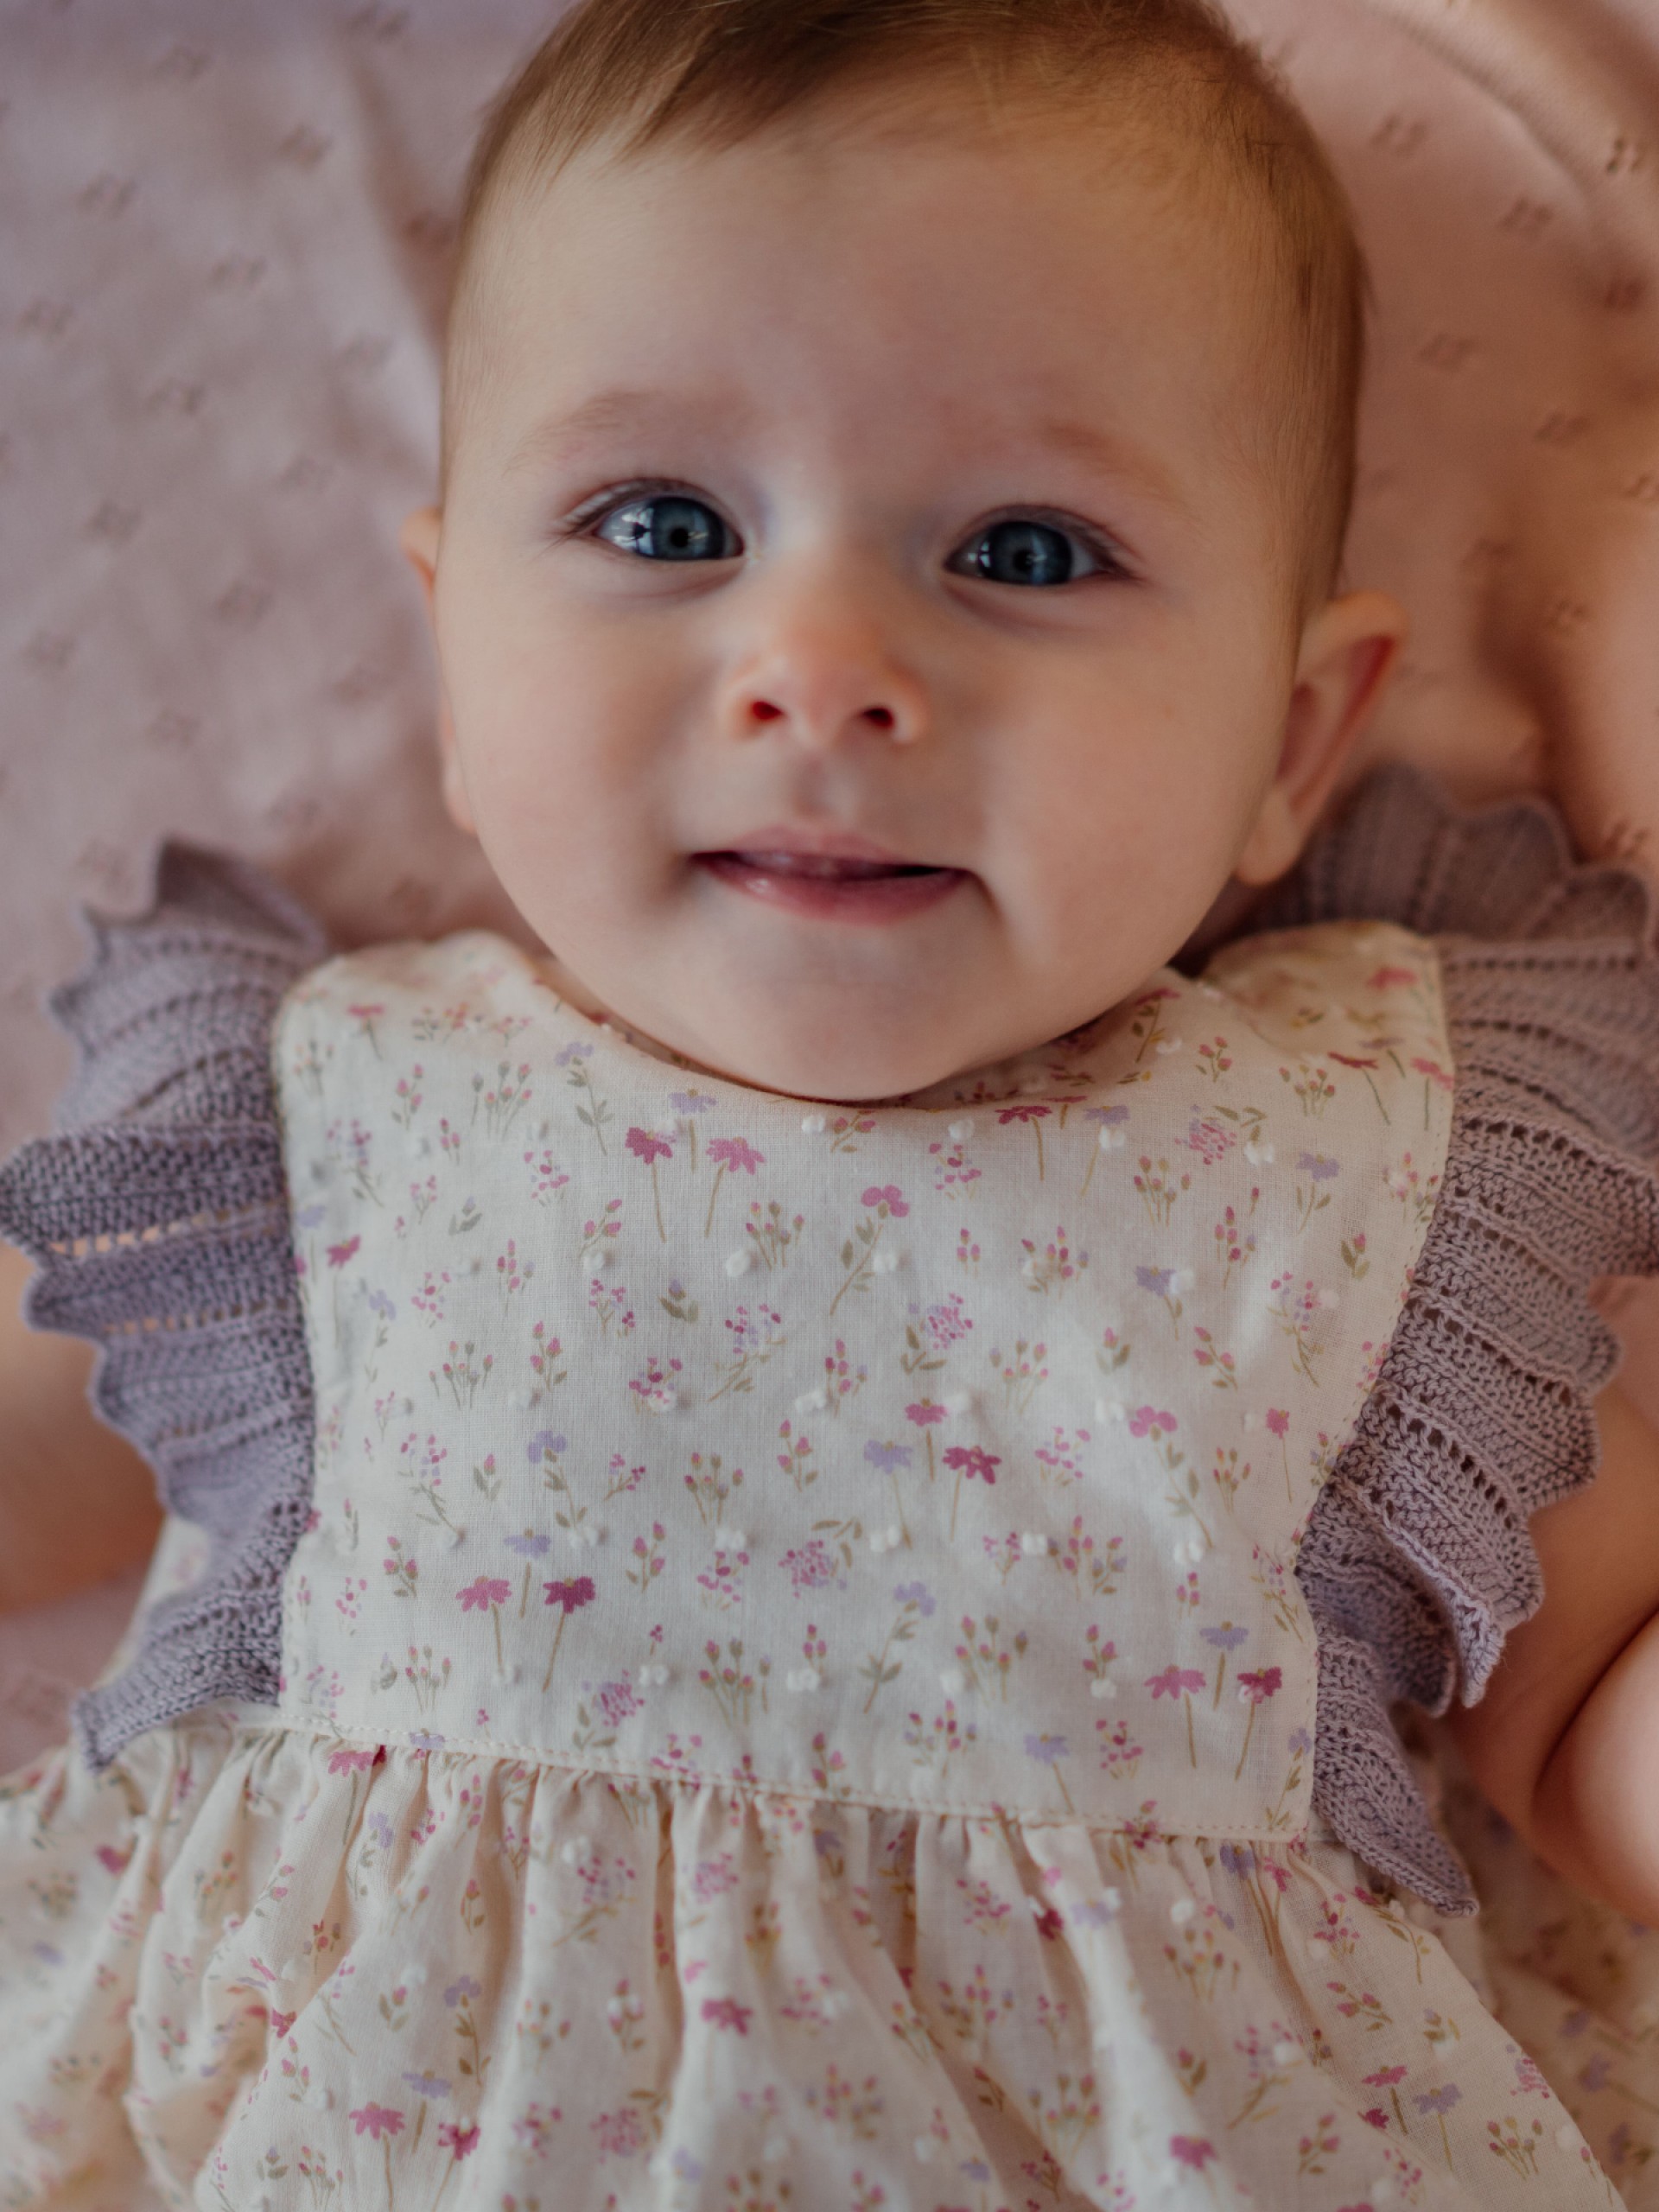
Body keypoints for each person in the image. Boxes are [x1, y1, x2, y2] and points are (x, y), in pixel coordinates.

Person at [2, 0, 1657, 2202]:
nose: (825, 663)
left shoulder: (1369, 1183)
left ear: (1289, 735)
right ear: (456, 669)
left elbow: (1575, 1706)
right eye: (664, 518)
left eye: (1029, 553)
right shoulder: (316, 1137)